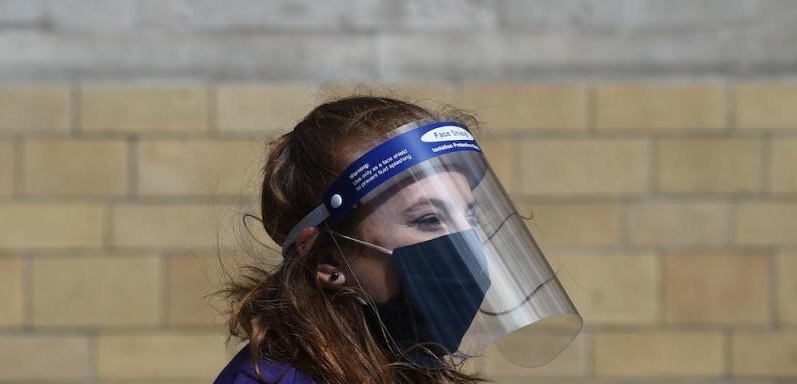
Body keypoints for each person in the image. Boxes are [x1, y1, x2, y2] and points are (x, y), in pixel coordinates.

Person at [214, 94, 582, 384]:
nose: (464, 242)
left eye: (469, 216)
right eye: (428, 219)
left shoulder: (393, 363)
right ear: (327, 261)